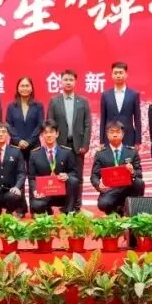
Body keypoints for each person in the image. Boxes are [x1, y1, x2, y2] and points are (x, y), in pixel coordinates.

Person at [46, 70, 92, 209]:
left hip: (77, 145)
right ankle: (64, 205)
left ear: (75, 82)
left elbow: (87, 124)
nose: (68, 82)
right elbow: (50, 123)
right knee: (61, 176)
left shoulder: (83, 101)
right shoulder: (54, 101)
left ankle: (77, 206)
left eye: (71, 80)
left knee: (78, 176)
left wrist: (85, 144)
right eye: (65, 79)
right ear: (61, 82)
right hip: (60, 144)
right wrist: (52, 144)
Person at [91, 121, 144, 215]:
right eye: (111, 132)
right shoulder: (100, 154)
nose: (115, 135)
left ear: (122, 134)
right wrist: (98, 184)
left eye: (118, 132)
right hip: (110, 189)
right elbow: (94, 175)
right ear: (107, 135)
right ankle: (116, 210)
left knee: (139, 183)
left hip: (128, 187)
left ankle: (133, 209)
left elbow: (139, 173)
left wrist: (132, 171)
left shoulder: (132, 152)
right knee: (103, 204)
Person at [27, 121, 79, 215]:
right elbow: (32, 178)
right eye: (45, 132)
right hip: (44, 192)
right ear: (42, 135)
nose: (49, 135)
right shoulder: (34, 154)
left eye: (51, 132)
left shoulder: (66, 152)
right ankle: (47, 209)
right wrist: (35, 190)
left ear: (57, 134)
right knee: (37, 206)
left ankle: (69, 211)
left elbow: (74, 173)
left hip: (62, 193)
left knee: (73, 181)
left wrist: (67, 175)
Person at [99, 61, 143, 148]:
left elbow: (137, 119)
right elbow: (103, 119)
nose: (118, 75)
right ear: (112, 75)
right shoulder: (106, 95)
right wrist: (102, 141)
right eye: (115, 73)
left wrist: (138, 141)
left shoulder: (134, 94)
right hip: (110, 137)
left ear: (126, 74)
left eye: (120, 73)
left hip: (129, 137)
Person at [5, 76, 43, 163]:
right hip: (15, 145)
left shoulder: (38, 106)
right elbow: (9, 125)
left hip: (34, 146)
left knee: (33, 170)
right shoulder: (11, 106)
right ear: (18, 89)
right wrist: (18, 141)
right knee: (15, 170)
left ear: (31, 88)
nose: (25, 88)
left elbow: (40, 125)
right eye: (22, 86)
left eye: (27, 86)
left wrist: (29, 141)